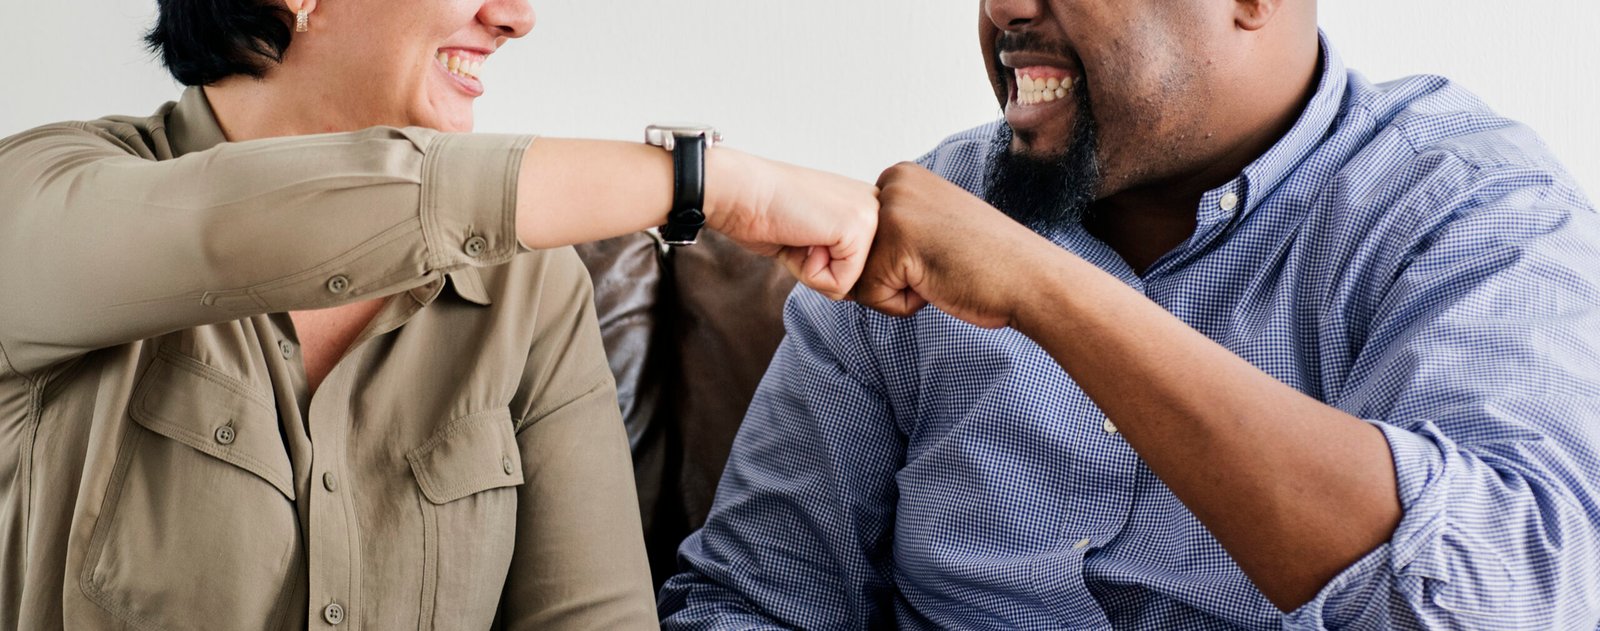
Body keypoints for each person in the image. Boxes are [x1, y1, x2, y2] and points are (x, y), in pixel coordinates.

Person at [660, 0, 1600, 628]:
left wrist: (1045, 290)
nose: (1005, 9)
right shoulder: (917, 218)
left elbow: (1500, 597)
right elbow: (756, 595)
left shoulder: (1467, 210)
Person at [0, 0, 877, 628]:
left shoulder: (529, 288)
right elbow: (231, 227)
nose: (517, 15)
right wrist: (707, 184)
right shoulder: (38, 199)